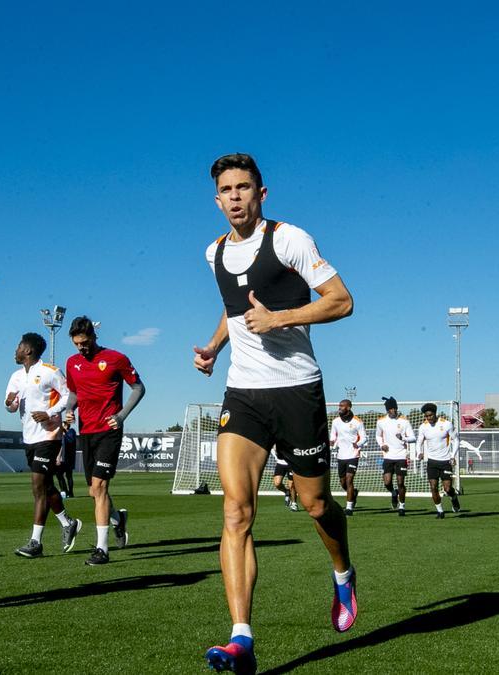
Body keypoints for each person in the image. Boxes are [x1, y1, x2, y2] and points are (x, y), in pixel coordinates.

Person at [193, 153, 357, 673]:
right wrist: (217, 345)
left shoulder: (289, 240)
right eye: (227, 189)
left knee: (315, 505)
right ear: (217, 200)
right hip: (243, 393)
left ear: (262, 194)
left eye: (245, 187)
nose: (236, 196)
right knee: (236, 512)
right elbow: (233, 305)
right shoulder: (213, 252)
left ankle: (343, 572)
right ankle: (241, 637)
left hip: (297, 391)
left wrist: (281, 318)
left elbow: (341, 300)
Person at [63, 315, 145, 566]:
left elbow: (139, 388)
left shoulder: (115, 358)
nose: (81, 347)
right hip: (85, 431)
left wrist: (121, 416)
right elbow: (74, 392)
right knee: (93, 491)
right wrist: (69, 410)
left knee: (99, 488)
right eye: (77, 343)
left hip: (109, 430)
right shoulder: (72, 363)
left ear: (94, 337)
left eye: (85, 342)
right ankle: (118, 520)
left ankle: (102, 549)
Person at [3, 332, 81, 558]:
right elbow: (9, 404)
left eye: (19, 346)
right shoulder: (16, 376)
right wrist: (10, 403)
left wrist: (48, 413)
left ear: (28, 350)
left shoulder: (50, 371)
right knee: (46, 487)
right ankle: (68, 523)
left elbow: (69, 396)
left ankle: (35, 542)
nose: (16, 350)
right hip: (29, 437)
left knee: (37, 486)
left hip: (49, 434)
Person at [417, 403, 460, 518]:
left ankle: (454, 497)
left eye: (430, 415)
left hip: (445, 461)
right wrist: (419, 452)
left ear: (435, 414)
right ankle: (440, 511)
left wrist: (453, 455)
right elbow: (419, 441)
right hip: (432, 462)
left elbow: (456, 440)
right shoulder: (423, 427)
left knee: (447, 488)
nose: (429, 418)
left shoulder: (446, 424)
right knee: (433, 488)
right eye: (426, 416)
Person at [376, 396, 417, 516]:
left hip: (401, 456)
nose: (393, 410)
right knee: (387, 482)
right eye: (391, 409)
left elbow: (413, 437)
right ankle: (393, 493)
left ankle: (402, 506)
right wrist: (382, 444)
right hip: (388, 456)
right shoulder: (381, 421)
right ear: (387, 410)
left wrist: (403, 438)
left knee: (400, 482)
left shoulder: (404, 421)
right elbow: (378, 436)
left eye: (395, 408)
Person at [330, 399, 367, 516]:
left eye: (342, 406)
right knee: (342, 482)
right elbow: (333, 436)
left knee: (349, 479)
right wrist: (332, 442)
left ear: (349, 407)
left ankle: (349, 507)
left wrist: (358, 444)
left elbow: (364, 438)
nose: (339, 408)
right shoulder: (335, 421)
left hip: (353, 454)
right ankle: (353, 493)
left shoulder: (357, 422)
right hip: (341, 455)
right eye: (339, 406)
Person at [55, 421, 77, 498]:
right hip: (62, 459)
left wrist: (64, 433)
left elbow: (69, 440)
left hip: (68, 458)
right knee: (59, 474)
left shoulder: (71, 432)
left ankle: (70, 492)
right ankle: (64, 491)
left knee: (69, 475)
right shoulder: (61, 434)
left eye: (63, 425)